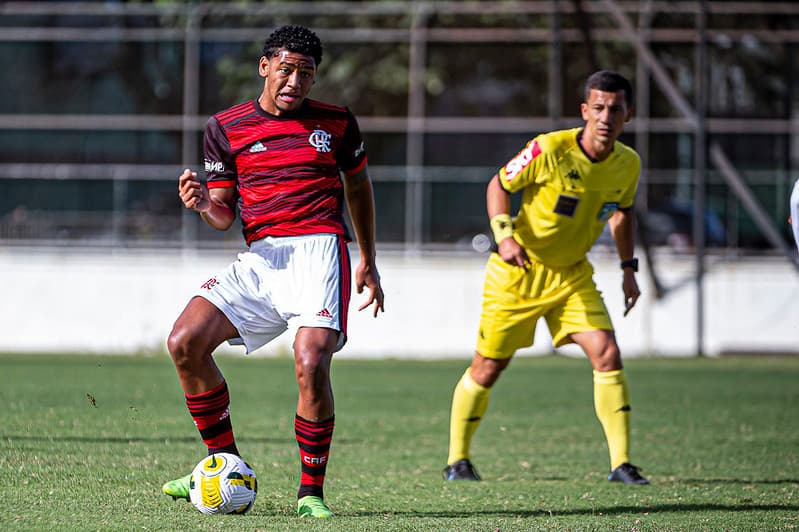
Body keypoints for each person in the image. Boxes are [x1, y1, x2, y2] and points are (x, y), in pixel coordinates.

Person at [161, 25, 384, 518]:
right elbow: (223, 214)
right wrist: (200, 203)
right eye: (287, 69)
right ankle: (225, 466)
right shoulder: (225, 127)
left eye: (306, 73)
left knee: (310, 361)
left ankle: (310, 494)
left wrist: (367, 257)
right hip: (262, 257)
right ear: (265, 66)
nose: (295, 81)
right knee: (184, 341)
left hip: (320, 250)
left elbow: (359, 188)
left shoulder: (338, 123)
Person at [443, 70, 649, 485]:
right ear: (584, 111)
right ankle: (457, 460)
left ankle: (621, 464)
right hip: (518, 273)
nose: (606, 117)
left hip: (572, 275)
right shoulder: (549, 148)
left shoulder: (628, 164)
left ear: (629, 115)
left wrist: (629, 269)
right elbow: (498, 185)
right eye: (598, 108)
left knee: (606, 353)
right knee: (488, 367)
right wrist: (504, 237)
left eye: (616, 109)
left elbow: (622, 214)